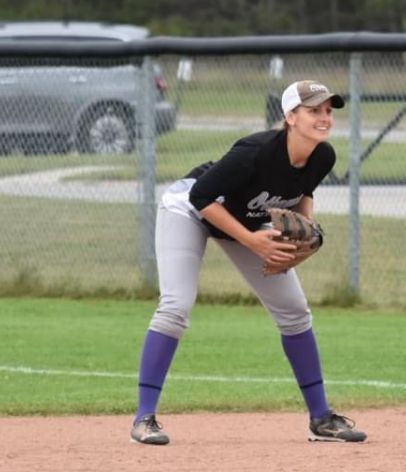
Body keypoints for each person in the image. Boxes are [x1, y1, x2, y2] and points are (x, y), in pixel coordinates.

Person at [130, 80, 367, 445]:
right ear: (290, 116)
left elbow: (303, 195)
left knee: (294, 311)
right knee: (175, 305)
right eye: (313, 110)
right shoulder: (254, 152)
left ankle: (321, 419)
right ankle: (144, 419)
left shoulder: (323, 155)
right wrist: (253, 241)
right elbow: (201, 196)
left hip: (244, 219)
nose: (324, 118)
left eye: (327, 111)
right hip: (190, 209)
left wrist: (307, 229)